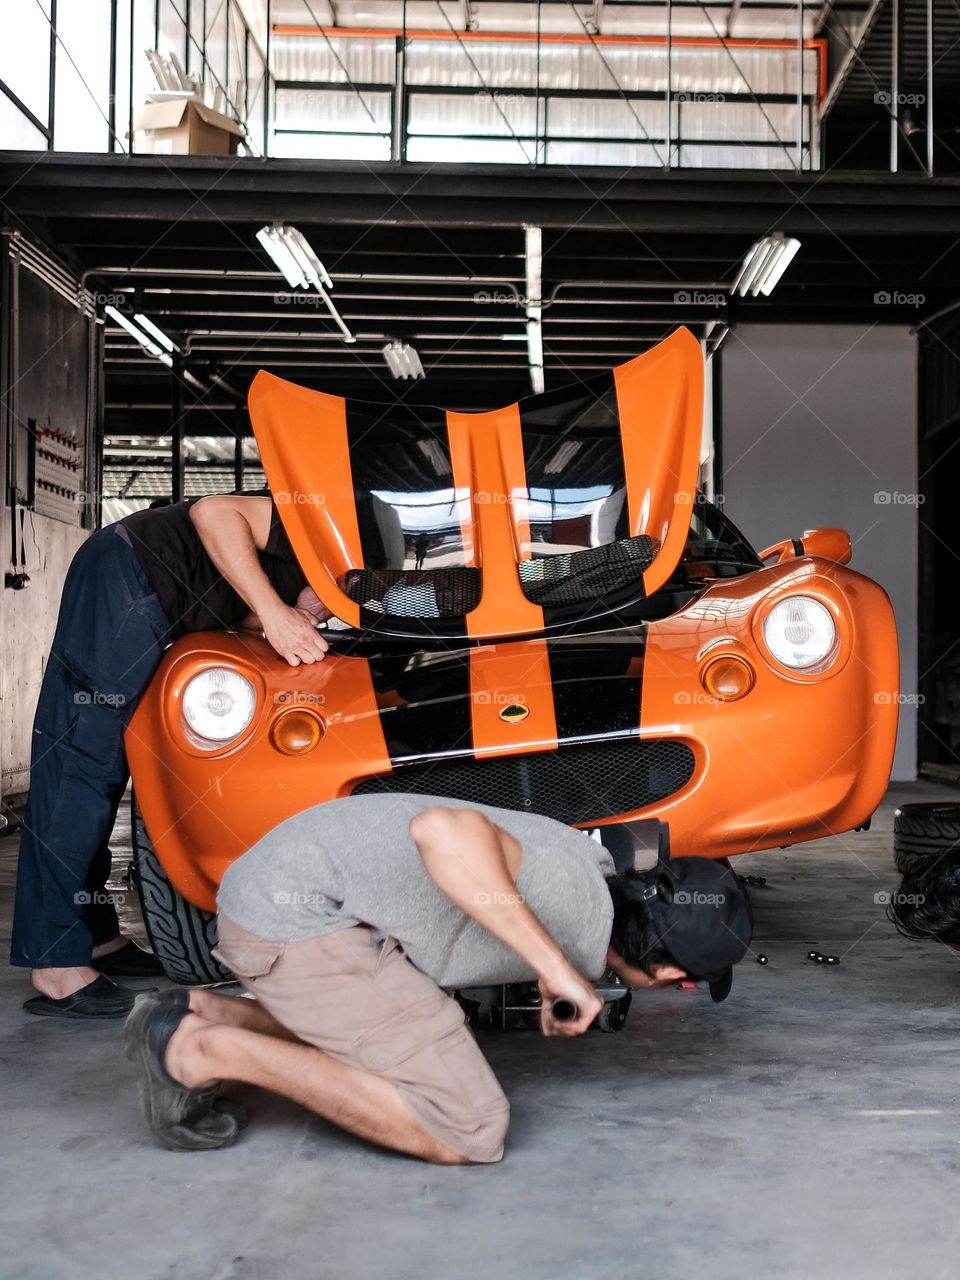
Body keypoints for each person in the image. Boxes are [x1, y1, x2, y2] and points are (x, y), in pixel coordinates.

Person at [124, 794, 754, 1161]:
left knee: (415, 1042)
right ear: (671, 974)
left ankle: (210, 1014)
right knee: (470, 1125)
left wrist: (546, 966)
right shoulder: (573, 903)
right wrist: (554, 968)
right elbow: (441, 831)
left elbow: (503, 879)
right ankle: (200, 1050)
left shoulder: (588, 867)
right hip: (294, 917)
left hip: (291, 892)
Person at [12, 490, 329, 1020]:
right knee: (80, 761)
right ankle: (54, 960)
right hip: (131, 571)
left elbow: (245, 617)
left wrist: (293, 612)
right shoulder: (334, 516)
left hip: (154, 590)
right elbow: (213, 513)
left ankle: (94, 937)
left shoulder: (358, 563)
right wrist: (278, 612)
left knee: (107, 767)